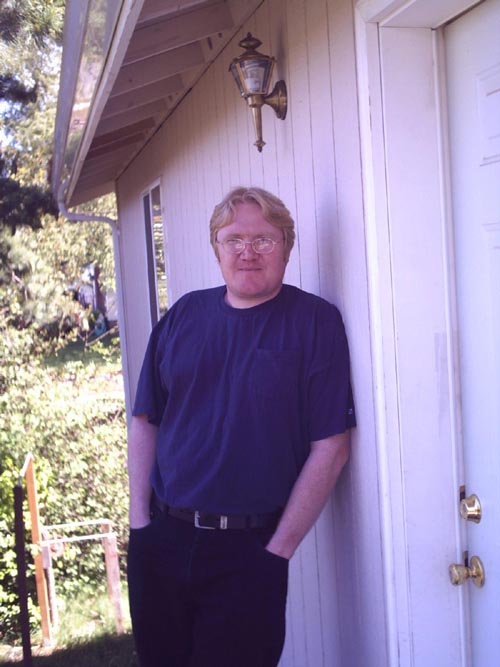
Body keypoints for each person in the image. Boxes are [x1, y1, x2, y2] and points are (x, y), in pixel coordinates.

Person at [127, 186, 356, 667]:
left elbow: (331, 447)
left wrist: (276, 552)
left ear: (287, 247)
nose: (247, 252)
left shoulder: (314, 323)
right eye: (233, 240)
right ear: (217, 248)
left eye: (263, 240)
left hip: (249, 554)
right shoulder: (184, 315)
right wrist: (139, 524)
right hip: (162, 541)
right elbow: (146, 418)